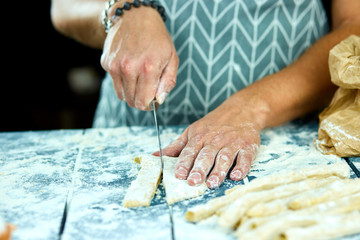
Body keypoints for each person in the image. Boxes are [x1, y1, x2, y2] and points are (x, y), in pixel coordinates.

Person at [51, 0, 360, 189]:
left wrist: (252, 108)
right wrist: (122, 11)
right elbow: (64, 7)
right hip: (134, 131)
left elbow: (354, 25)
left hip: (284, 141)